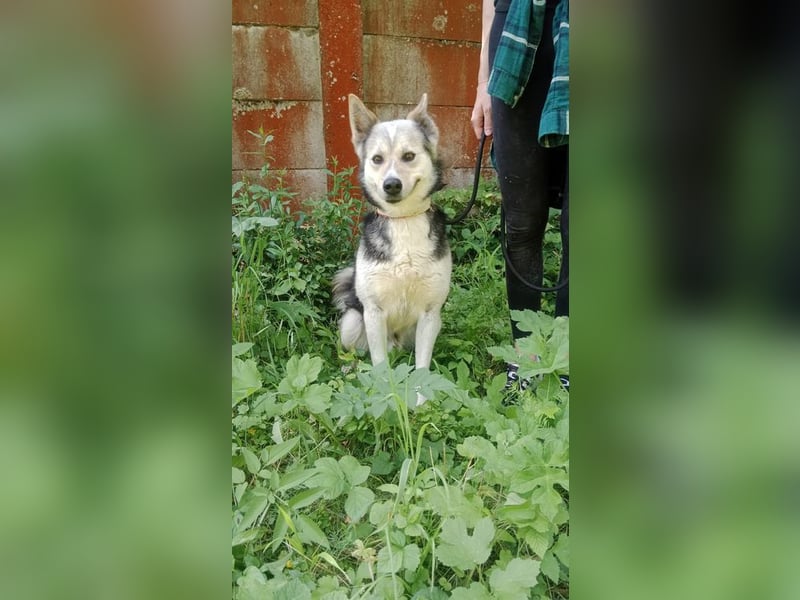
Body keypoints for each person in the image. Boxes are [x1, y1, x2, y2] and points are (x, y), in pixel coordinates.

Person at [470, 0, 569, 392]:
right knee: (522, 222)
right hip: (516, 43)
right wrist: (482, 83)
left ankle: (566, 357)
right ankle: (527, 356)